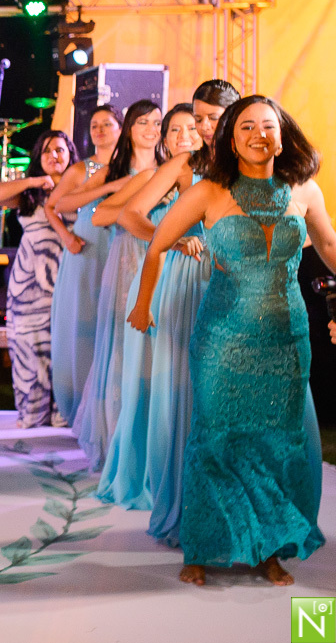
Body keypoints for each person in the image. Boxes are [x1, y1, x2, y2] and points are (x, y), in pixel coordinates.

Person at [128, 96, 335, 587]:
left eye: (268, 125)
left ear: (283, 133)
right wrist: (143, 304)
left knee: (276, 444)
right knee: (214, 441)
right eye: (247, 126)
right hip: (222, 339)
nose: (259, 134)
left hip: (287, 340)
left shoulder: (303, 190)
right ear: (231, 137)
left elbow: (327, 247)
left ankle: (267, 549)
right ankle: (201, 548)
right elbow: (157, 244)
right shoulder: (210, 191)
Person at [116, 83, 239, 545]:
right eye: (193, 122)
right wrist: (170, 236)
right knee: (188, 387)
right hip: (188, 278)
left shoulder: (244, 162)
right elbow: (131, 214)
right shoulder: (185, 164)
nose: (200, 130)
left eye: (206, 121)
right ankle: (187, 504)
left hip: (234, 280)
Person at [96, 105, 202, 509]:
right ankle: (156, 472)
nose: (183, 136)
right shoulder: (174, 169)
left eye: (191, 127)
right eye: (174, 130)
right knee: (159, 377)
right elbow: (124, 215)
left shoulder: (227, 168)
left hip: (209, 277)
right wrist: (170, 237)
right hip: (164, 274)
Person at [69, 100, 165, 471]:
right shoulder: (117, 169)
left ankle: (151, 435)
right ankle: (116, 438)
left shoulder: (169, 165)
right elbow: (81, 208)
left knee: (155, 348)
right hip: (127, 255)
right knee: (124, 346)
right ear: (129, 128)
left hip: (160, 257)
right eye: (143, 122)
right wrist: (121, 188)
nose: (152, 129)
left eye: (157, 122)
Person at [0, 130, 78, 428]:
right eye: (47, 151)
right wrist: (35, 181)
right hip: (29, 285)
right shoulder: (29, 194)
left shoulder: (82, 191)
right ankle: (32, 415)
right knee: (29, 350)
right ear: (38, 157)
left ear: (71, 156)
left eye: (60, 150)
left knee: (66, 349)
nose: (54, 156)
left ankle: (65, 414)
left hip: (69, 277)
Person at [47, 105, 123, 421]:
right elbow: (53, 206)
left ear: (121, 129)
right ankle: (79, 404)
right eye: (94, 125)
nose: (100, 129)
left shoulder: (131, 167)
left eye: (107, 124)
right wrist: (66, 237)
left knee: (115, 322)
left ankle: (114, 404)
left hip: (120, 244)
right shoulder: (80, 170)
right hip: (87, 247)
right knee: (83, 322)